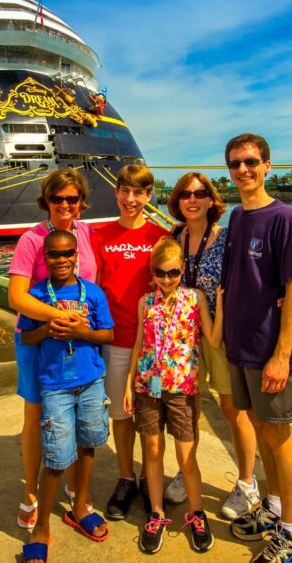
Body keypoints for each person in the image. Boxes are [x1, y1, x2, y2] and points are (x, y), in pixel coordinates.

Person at [221, 133, 292, 562]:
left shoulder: (284, 218)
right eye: (235, 163)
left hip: (269, 351)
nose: (243, 170)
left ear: (268, 165)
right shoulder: (237, 217)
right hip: (242, 347)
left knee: (279, 438)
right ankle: (275, 510)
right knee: (261, 428)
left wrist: (280, 354)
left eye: (251, 161)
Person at [162, 172, 261, 520]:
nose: (193, 199)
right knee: (186, 411)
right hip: (182, 339)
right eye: (186, 194)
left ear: (211, 200)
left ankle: (248, 483)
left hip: (221, 335)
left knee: (234, 410)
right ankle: (185, 470)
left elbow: (256, 271)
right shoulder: (173, 238)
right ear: (177, 200)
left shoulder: (228, 238)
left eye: (201, 193)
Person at [8, 169, 98, 531]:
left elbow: (94, 283)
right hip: (36, 338)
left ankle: (79, 494)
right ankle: (30, 491)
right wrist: (60, 316)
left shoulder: (88, 234)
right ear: (45, 200)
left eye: (72, 199)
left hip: (77, 339)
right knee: (35, 415)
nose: (64, 205)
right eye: (57, 198)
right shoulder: (31, 239)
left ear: (81, 202)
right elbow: (16, 295)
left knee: (77, 413)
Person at [18, 230, 113, 563]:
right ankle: (41, 527)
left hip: (90, 381)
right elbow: (27, 338)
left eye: (67, 253)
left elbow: (109, 333)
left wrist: (80, 331)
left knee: (88, 444)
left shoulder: (94, 293)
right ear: (45, 258)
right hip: (55, 385)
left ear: (77, 255)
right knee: (57, 456)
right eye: (54, 255)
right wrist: (48, 328)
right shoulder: (37, 295)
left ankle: (80, 504)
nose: (61, 260)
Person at [124, 237, 218, 554]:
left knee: (186, 457)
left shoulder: (196, 299)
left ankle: (196, 513)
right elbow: (139, 345)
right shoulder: (144, 303)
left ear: (183, 271)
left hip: (183, 391)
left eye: (173, 273)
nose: (166, 279)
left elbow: (215, 341)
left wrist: (227, 304)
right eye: (161, 273)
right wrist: (128, 385)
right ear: (153, 272)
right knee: (151, 451)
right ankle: (156, 513)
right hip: (147, 388)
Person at [90, 164, 169, 520]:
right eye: (125, 191)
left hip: (154, 346)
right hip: (117, 340)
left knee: (153, 417)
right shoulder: (99, 236)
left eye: (139, 193)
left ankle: (154, 478)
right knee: (121, 414)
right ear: (116, 192)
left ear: (148, 196)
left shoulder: (160, 237)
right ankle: (126, 477)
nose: (131, 199)